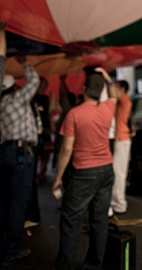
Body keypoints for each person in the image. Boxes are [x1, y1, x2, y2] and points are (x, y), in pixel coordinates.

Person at [52, 68, 118, 269]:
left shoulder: (74, 114)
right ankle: (93, 265)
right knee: (99, 221)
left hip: (83, 173)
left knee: (71, 220)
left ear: (84, 89)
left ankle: (64, 266)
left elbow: (66, 148)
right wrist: (107, 78)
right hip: (106, 170)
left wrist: (58, 177)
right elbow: (114, 95)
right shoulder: (108, 109)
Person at [0, 22, 40, 265]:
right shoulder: (18, 98)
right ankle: (11, 252)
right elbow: (35, 81)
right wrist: (25, 62)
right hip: (21, 154)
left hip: (4, 154)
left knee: (2, 203)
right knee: (19, 203)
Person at [109, 79, 132, 217]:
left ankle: (119, 204)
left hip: (122, 139)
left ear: (122, 89)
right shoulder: (121, 101)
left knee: (119, 173)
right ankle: (116, 202)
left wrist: (107, 78)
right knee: (117, 172)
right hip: (120, 139)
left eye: (116, 87)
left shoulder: (124, 100)